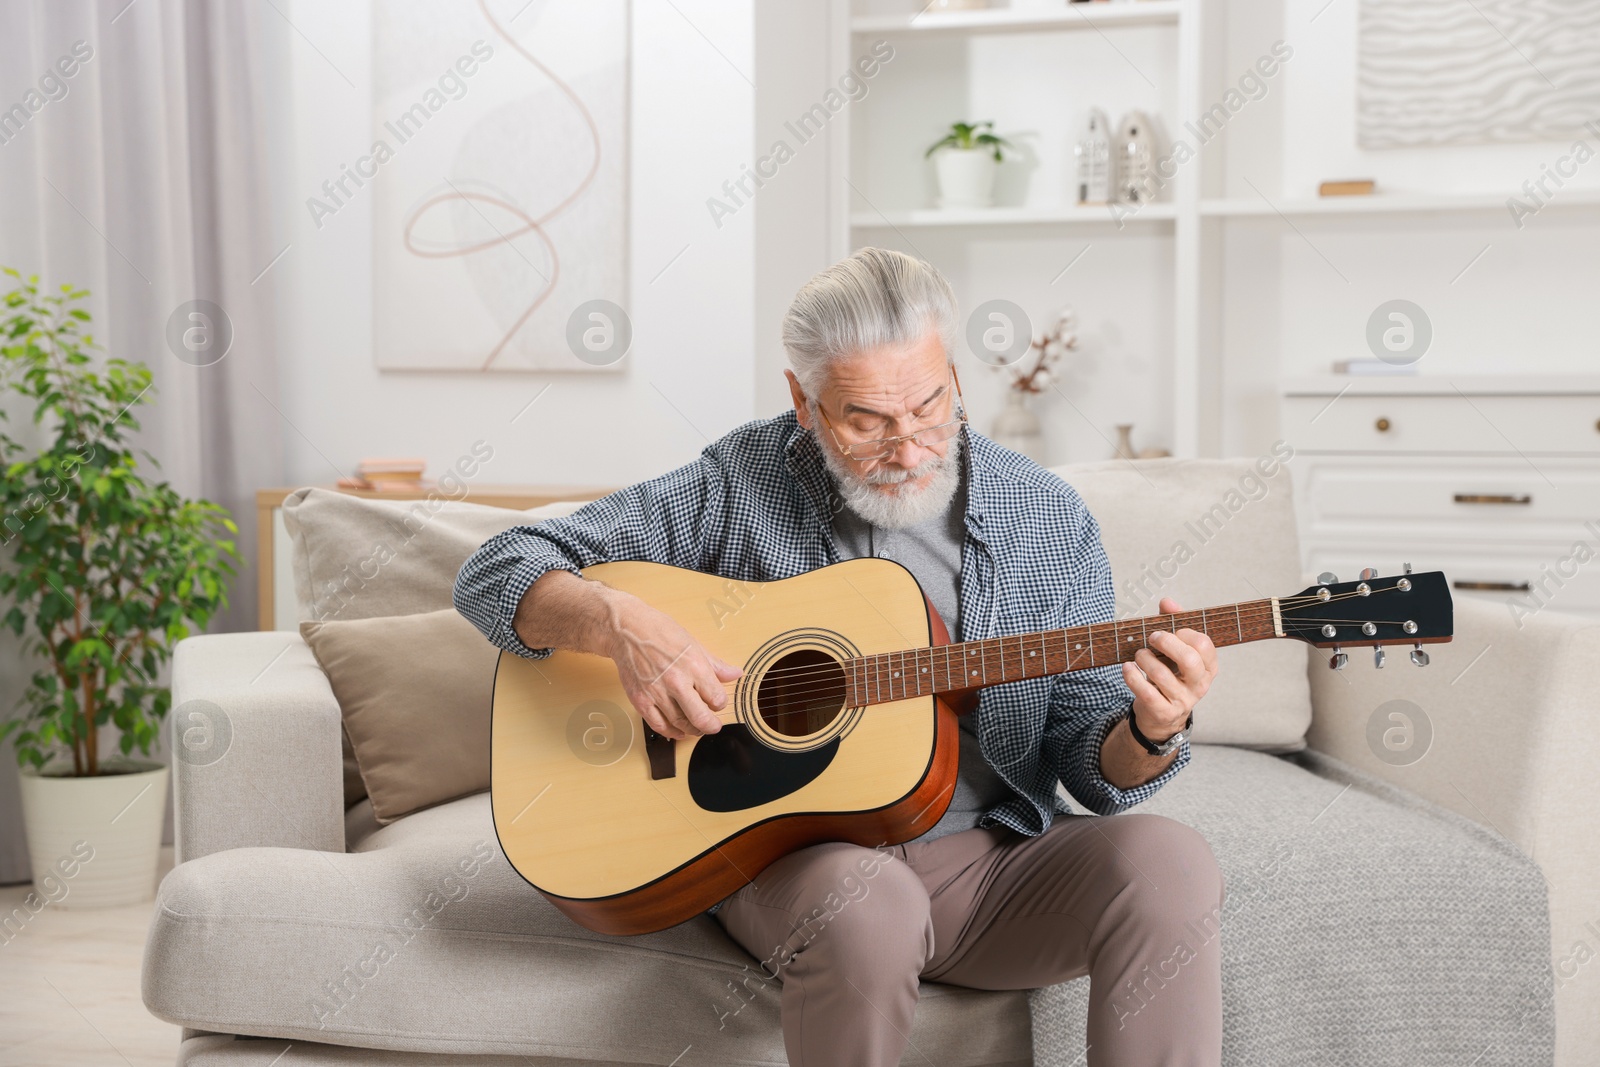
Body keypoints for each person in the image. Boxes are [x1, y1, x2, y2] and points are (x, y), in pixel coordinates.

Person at [454, 247, 1224, 1067]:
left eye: (931, 406)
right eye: (866, 419)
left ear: (955, 377)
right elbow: (496, 570)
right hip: (796, 864)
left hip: (990, 869)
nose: (910, 447)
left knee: (1171, 860)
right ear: (803, 401)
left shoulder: (1045, 516)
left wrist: (1149, 728)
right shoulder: (740, 481)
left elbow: (1090, 761)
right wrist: (620, 625)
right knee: (871, 902)